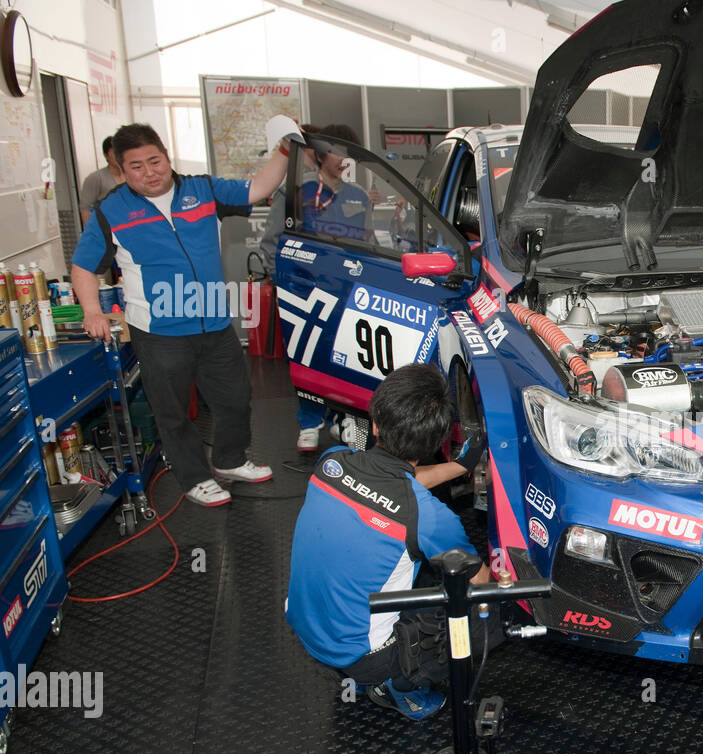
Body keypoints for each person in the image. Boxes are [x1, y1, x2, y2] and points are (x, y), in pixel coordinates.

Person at [69, 122, 297, 506]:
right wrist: (92, 312)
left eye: (154, 161)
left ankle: (229, 459)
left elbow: (259, 187)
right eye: (136, 167)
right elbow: (82, 267)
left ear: (167, 156)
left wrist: (286, 151)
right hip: (159, 332)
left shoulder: (202, 189)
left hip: (214, 321)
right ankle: (193, 477)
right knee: (172, 412)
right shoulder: (111, 210)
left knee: (236, 400)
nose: (149, 172)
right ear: (122, 171)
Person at [285, 363, 489, 719]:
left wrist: (460, 467)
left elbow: (395, 483)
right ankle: (399, 683)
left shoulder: (332, 462)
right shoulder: (429, 515)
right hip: (360, 656)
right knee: (485, 609)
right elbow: (480, 581)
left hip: (305, 626)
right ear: (434, 443)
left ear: (376, 423)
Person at [259, 123, 366, 452]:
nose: (343, 160)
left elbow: (366, 244)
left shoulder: (359, 197)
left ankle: (342, 418)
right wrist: (286, 283)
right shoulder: (295, 194)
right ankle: (309, 421)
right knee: (308, 359)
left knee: (346, 359)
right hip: (304, 294)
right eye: (336, 151)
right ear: (319, 154)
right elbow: (271, 243)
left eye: (350, 154)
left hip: (347, 294)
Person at [79, 136, 125, 228]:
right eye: (114, 152)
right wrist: (90, 234)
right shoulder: (96, 178)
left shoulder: (131, 175)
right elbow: (85, 208)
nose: (119, 156)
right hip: (108, 228)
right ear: (106, 155)